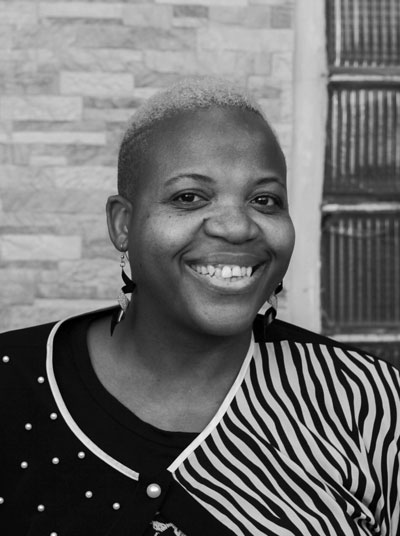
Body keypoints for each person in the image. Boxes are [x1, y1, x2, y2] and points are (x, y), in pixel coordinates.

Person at [0, 77, 399, 536]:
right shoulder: (11, 385)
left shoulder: (370, 404)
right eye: (189, 197)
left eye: (264, 200)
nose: (236, 227)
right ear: (123, 223)